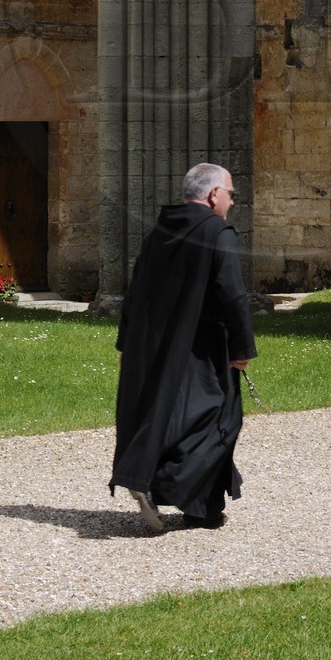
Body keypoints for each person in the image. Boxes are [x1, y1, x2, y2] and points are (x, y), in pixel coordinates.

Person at [109, 162, 257, 531]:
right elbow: (233, 295)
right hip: (205, 347)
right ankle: (157, 482)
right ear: (212, 195)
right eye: (231, 194)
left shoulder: (161, 230)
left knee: (180, 416)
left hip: (160, 346)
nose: (233, 202)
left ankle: (202, 510)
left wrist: (128, 342)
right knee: (221, 420)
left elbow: (137, 286)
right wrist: (242, 349)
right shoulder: (216, 231)